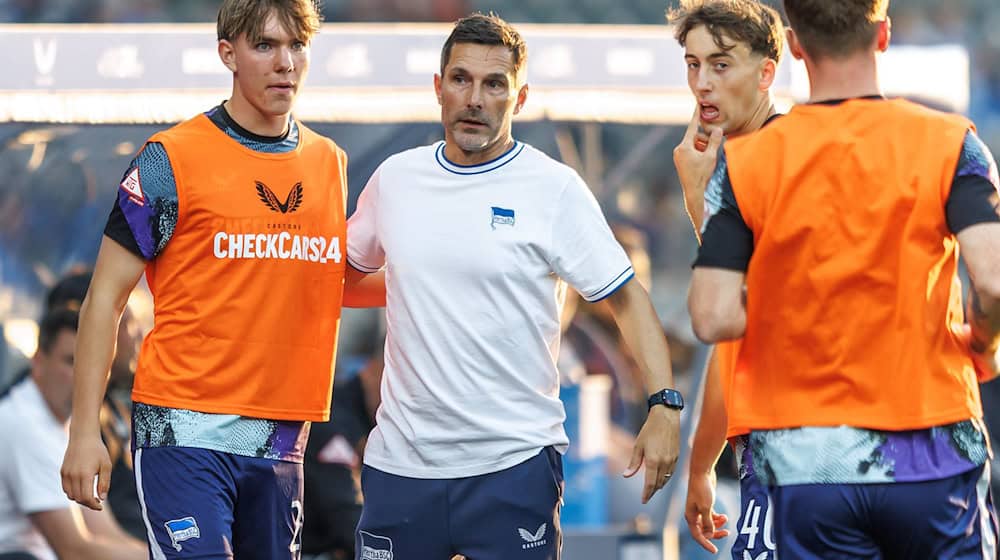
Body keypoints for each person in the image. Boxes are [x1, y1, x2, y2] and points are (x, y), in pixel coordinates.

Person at [346, 13, 682, 559]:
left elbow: (627, 299)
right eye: (461, 79)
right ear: (438, 87)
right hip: (403, 468)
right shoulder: (395, 179)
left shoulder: (553, 188)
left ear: (519, 98)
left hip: (513, 467)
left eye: (494, 84)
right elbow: (340, 279)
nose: (475, 98)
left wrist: (664, 405)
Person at [60, 1, 384, 558]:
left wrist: (431, 277)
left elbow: (325, 278)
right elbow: (104, 299)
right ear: (227, 54)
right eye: (265, 46)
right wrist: (84, 431)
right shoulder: (169, 159)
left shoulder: (328, 162)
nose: (285, 63)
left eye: (297, 46)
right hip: (181, 433)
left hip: (281, 442)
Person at [689, 0, 1000, 557]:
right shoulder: (952, 143)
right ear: (882, 34)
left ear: (795, 45)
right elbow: (994, 282)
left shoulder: (748, 163)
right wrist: (984, 340)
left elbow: (712, 316)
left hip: (806, 460)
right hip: (934, 447)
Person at [667, 1, 785, 557]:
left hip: (803, 439)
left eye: (720, 64)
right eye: (693, 65)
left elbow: (749, 303)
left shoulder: (784, 157)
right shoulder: (731, 162)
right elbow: (733, 341)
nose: (702, 84)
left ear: (766, 72)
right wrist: (702, 465)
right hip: (764, 438)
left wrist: (698, 201)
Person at [0, 306, 147, 560]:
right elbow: (75, 551)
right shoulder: (22, 424)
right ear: (38, 362)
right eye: (70, 361)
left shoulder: (71, 426)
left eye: (89, 364)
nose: (81, 375)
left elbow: (106, 532)